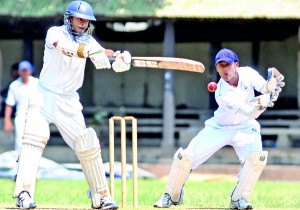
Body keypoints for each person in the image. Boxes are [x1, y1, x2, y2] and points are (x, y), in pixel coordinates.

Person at [13, 1, 131, 209]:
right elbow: (66, 48)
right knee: (33, 141)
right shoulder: (55, 33)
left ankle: (101, 196)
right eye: (80, 19)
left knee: (88, 145)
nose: (83, 24)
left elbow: (103, 54)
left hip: (69, 101)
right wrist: (89, 52)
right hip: (44, 96)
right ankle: (24, 193)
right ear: (69, 19)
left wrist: (119, 58)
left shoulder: (89, 41)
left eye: (86, 21)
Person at [154, 48, 285, 209]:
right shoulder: (220, 93)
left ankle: (239, 199)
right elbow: (251, 112)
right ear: (216, 68)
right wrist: (263, 103)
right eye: (220, 66)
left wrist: (271, 86)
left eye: (228, 65)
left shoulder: (248, 74)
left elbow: (264, 87)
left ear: (236, 65)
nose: (225, 69)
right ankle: (171, 195)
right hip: (219, 127)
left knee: (256, 160)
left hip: (245, 128)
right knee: (185, 157)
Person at [3, 61, 39, 153]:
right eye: (22, 70)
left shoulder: (37, 83)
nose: (24, 72)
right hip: (21, 116)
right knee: (19, 141)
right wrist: (7, 121)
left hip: (36, 116)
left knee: (35, 140)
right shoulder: (14, 85)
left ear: (30, 71)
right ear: (19, 71)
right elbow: (9, 104)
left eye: (26, 70)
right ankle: (20, 164)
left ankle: (34, 164)